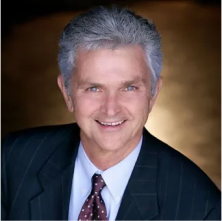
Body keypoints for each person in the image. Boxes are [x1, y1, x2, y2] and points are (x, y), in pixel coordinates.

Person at [0, 5, 221, 221]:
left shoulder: (201, 208)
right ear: (67, 93)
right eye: (94, 88)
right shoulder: (14, 160)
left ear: (153, 93)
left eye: (129, 87)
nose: (111, 108)